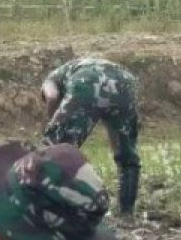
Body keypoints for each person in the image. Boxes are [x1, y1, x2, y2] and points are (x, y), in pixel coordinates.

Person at [42, 58, 141, 217]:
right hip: (125, 81)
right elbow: (112, 122)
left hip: (87, 82)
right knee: (127, 155)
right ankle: (126, 213)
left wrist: (53, 126)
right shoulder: (78, 66)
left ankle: (50, 208)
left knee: (52, 152)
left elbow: (52, 96)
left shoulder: (51, 79)